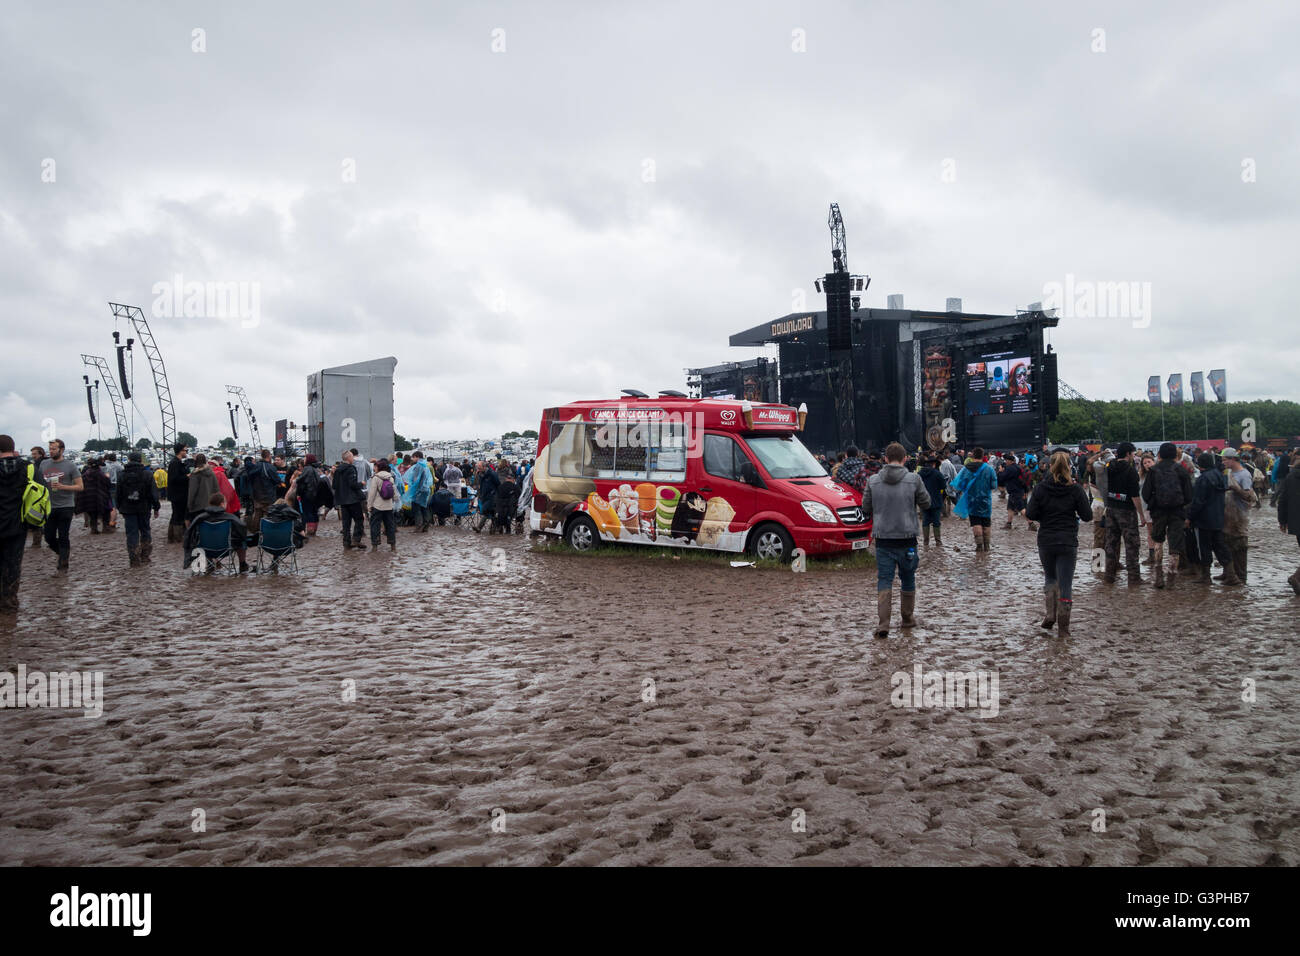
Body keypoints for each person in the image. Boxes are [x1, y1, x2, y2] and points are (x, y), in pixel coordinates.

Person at [862, 442, 930, 639]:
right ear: (905, 459)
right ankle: (907, 619)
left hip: (883, 539)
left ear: (885, 459)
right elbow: (926, 503)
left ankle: (883, 624)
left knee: (884, 580)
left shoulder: (873, 480)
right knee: (908, 578)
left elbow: (866, 507)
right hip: (907, 539)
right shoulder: (914, 479)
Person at [1025, 451, 1092, 638]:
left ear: (1049, 464)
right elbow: (1088, 516)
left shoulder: (1040, 488)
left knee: (1050, 578)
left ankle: (1050, 614)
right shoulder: (1075, 489)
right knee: (1066, 583)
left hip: (1046, 539)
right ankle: (1064, 628)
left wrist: (1044, 514)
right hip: (1068, 540)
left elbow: (1030, 513)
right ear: (1069, 466)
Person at [1141, 442, 1193, 589]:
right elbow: (1189, 495)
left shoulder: (1153, 470)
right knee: (1175, 546)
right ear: (1175, 454)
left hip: (1158, 512)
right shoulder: (1181, 471)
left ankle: (1158, 575)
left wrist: (1154, 503)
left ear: (1160, 455)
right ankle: (1171, 575)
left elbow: (1145, 493)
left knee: (1158, 541)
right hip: (1177, 512)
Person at [1186, 451, 1240, 586]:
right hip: (1218, 517)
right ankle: (1231, 575)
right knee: (1219, 545)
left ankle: (1206, 576)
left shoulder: (1203, 479)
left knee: (1204, 548)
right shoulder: (1220, 476)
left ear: (1200, 464)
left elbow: (1198, 502)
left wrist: (1189, 517)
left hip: (1204, 519)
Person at [1101, 442, 1148, 585]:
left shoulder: (1109, 467)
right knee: (1132, 545)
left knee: (1111, 543)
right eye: (1133, 453)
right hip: (1127, 511)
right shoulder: (1130, 471)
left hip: (1111, 508)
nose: (1134, 456)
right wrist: (1141, 514)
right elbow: (1135, 496)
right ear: (1128, 454)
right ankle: (1134, 578)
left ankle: (1109, 576)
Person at [38, 438, 83, 573]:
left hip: (66, 505)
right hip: (48, 506)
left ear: (61, 450)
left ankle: (63, 562)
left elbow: (80, 487)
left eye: (54, 449)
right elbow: (39, 483)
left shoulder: (70, 465)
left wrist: (63, 486)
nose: (51, 451)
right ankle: (62, 553)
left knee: (63, 535)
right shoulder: (44, 464)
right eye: (49, 449)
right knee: (48, 536)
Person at [183, 492, 250, 573]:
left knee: (202, 539)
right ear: (222, 504)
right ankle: (242, 564)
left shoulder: (200, 518)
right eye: (225, 502)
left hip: (205, 549)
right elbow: (242, 531)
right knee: (241, 540)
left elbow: (189, 534)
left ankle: (210, 563)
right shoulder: (230, 517)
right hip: (225, 549)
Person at [115, 450, 161, 567]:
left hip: (128, 509)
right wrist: (156, 507)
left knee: (131, 534)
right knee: (145, 531)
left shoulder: (121, 474)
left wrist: (119, 507)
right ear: (140, 460)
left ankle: (134, 559)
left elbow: (118, 494)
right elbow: (153, 494)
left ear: (129, 460)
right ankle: (145, 556)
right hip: (144, 508)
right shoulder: (147, 474)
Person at [0, 435, 29, 612]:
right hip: (18, 522)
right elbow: (42, 493)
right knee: (13, 562)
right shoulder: (28, 468)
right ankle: (9, 601)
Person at [948, 447, 998, 552]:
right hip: (985, 500)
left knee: (976, 522)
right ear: (983, 456)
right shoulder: (989, 469)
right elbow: (994, 485)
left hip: (971, 500)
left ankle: (979, 546)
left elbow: (959, 484)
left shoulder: (966, 468)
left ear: (973, 456)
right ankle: (987, 546)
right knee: (986, 522)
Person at [1221, 448, 1257, 584]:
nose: (1223, 462)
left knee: (1239, 546)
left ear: (1232, 459)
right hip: (1228, 514)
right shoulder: (1228, 472)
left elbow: (1249, 497)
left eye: (1225, 460)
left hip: (1240, 515)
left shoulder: (1244, 475)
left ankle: (1241, 576)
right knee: (1227, 544)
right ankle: (1228, 573)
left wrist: (1236, 489)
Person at [332, 450, 368, 550]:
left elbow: (334, 485)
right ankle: (356, 539)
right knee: (359, 519)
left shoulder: (337, 469)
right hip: (353, 499)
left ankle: (346, 543)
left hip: (342, 500)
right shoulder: (351, 468)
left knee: (346, 522)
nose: (353, 459)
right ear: (348, 458)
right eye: (352, 457)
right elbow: (353, 484)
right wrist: (362, 484)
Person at [1276, 452, 1300, 594]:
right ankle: (1296, 577)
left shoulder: (1290, 477)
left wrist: (1282, 521)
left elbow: (1282, 500)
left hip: (1296, 523)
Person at [242, 449, 280, 533]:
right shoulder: (270, 467)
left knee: (257, 514)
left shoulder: (254, 466)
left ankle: (255, 532)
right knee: (269, 514)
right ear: (269, 456)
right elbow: (277, 480)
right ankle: (268, 532)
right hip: (268, 495)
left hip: (256, 495)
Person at [366, 459, 399, 551]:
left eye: (375, 466)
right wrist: (396, 501)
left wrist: (369, 506)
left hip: (377, 506)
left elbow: (371, 494)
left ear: (379, 467)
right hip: (388, 506)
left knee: (375, 526)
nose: (374, 468)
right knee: (390, 526)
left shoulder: (376, 478)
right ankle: (392, 545)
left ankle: (375, 546)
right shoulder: (390, 477)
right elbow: (394, 491)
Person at [76, 458, 114, 533]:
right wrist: (107, 477)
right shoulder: (100, 474)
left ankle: (94, 529)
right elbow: (108, 484)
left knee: (92, 513)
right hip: (101, 496)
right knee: (106, 512)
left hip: (89, 496)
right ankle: (106, 528)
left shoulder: (85, 474)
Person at [916, 456, 946, 547]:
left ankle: (926, 542)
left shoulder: (919, 474)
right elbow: (943, 486)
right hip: (936, 501)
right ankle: (938, 542)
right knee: (936, 522)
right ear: (934, 464)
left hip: (923, 501)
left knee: (925, 521)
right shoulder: (937, 474)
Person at [166, 443, 191, 542]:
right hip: (178, 494)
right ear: (181, 451)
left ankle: (172, 537)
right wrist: (187, 476)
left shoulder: (177, 462)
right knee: (178, 516)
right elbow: (174, 479)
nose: (186, 452)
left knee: (176, 515)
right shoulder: (175, 463)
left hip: (178, 494)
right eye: (185, 450)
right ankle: (177, 537)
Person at [998, 453, 1029, 531]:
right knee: (1010, 508)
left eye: (1006, 460)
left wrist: (1001, 471)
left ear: (1010, 461)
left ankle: (1031, 523)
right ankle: (1009, 524)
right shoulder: (1018, 467)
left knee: (1021, 508)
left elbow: (1001, 478)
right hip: (1017, 490)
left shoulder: (1010, 469)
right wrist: (1025, 491)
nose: (1005, 462)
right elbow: (1023, 481)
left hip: (1015, 491)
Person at [186, 454, 220, 524]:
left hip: (197, 507)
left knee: (196, 528)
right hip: (210, 506)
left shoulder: (195, 474)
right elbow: (216, 489)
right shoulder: (212, 473)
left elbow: (192, 491)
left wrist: (189, 505)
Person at [27, 446, 46, 547]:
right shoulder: (37, 464)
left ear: (41, 454)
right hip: (42, 492)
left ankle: (37, 542)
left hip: (38, 493)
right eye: (32, 454)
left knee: (36, 515)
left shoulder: (39, 464)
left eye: (35, 454)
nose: (33, 456)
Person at [493, 459, 519, 534]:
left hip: (499, 488)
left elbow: (495, 476)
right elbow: (512, 476)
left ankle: (499, 526)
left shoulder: (497, 469)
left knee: (500, 508)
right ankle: (507, 527)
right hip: (508, 488)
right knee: (508, 507)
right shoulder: (508, 469)